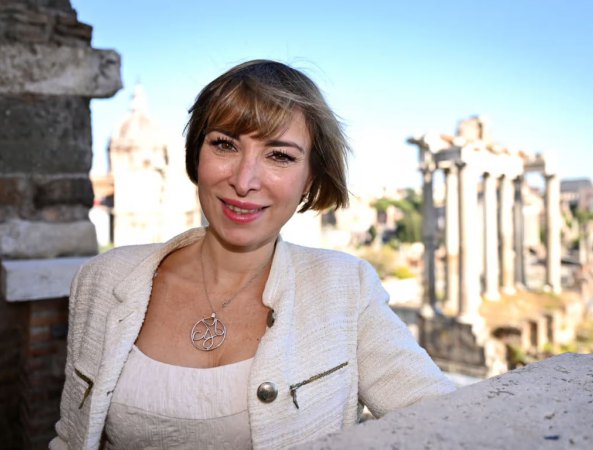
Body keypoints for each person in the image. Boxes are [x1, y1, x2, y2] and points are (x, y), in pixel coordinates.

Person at [50, 60, 455, 450]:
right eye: (225, 145)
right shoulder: (102, 280)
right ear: (195, 155)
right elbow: (71, 437)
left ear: (310, 178)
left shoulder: (347, 290)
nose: (244, 182)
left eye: (279, 155)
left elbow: (449, 421)